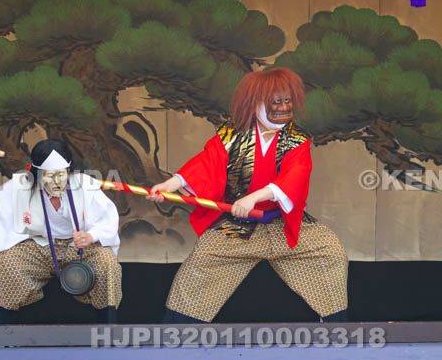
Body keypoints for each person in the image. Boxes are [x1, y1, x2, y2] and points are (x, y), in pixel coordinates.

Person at [148, 67, 349, 323]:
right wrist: (169, 185)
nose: (283, 107)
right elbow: (206, 163)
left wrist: (254, 198)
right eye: (276, 101)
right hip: (236, 227)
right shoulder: (232, 135)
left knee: (329, 251)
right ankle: (177, 331)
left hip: (283, 225)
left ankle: (335, 326)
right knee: (200, 266)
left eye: (287, 101)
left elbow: (295, 176)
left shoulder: (297, 140)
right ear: (254, 103)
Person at [0, 138, 122, 324]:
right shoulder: (21, 186)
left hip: (78, 246)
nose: (57, 181)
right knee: (6, 263)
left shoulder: (84, 185)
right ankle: (6, 335)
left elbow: (108, 218)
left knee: (107, 263)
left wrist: (90, 236)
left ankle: (108, 329)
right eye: (50, 176)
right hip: (38, 247)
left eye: (61, 174)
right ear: (38, 173)